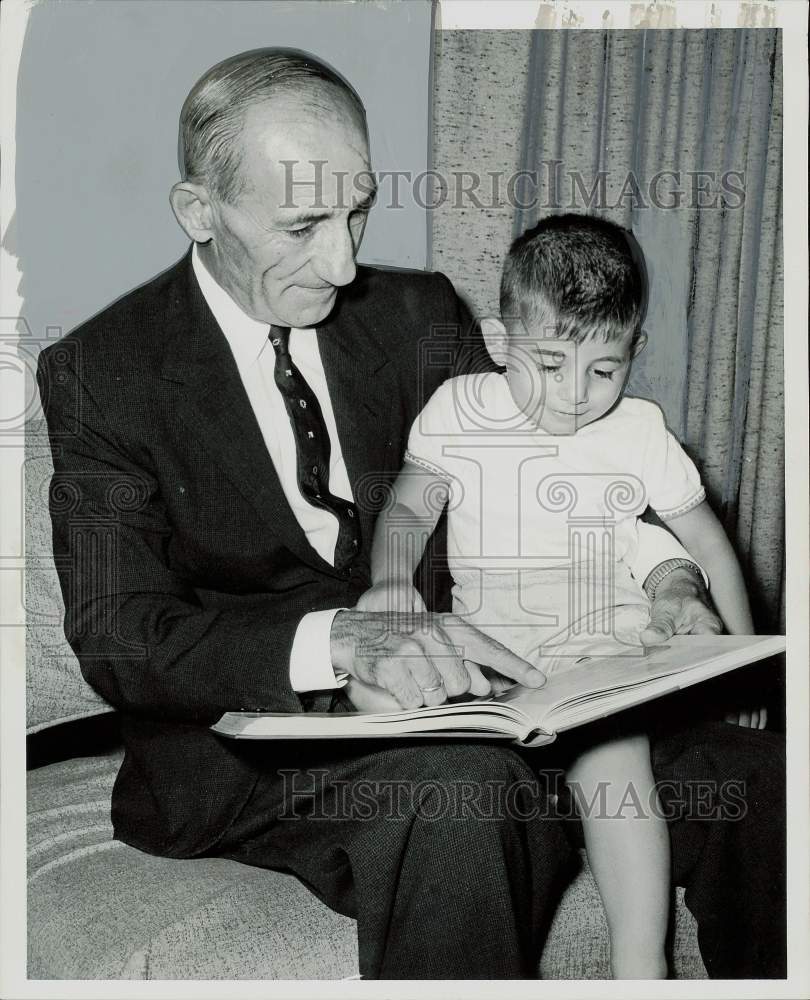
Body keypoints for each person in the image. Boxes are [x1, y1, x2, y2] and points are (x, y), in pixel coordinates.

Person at [36, 48, 785, 979]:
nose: (344, 260)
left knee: (769, 785)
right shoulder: (102, 373)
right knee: (467, 794)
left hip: (489, 703)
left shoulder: (415, 314)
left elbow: (550, 478)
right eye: (305, 223)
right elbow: (119, 635)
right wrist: (342, 640)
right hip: (266, 758)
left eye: (357, 212)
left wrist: (669, 574)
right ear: (199, 212)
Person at [356, 213, 766, 978]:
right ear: (500, 340)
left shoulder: (639, 431)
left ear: (634, 351)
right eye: (549, 364)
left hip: (599, 647)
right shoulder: (459, 411)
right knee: (373, 696)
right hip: (496, 649)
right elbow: (411, 505)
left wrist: (738, 660)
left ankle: (641, 968)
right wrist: (390, 581)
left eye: (603, 370)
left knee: (611, 754)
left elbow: (707, 541)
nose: (575, 395)